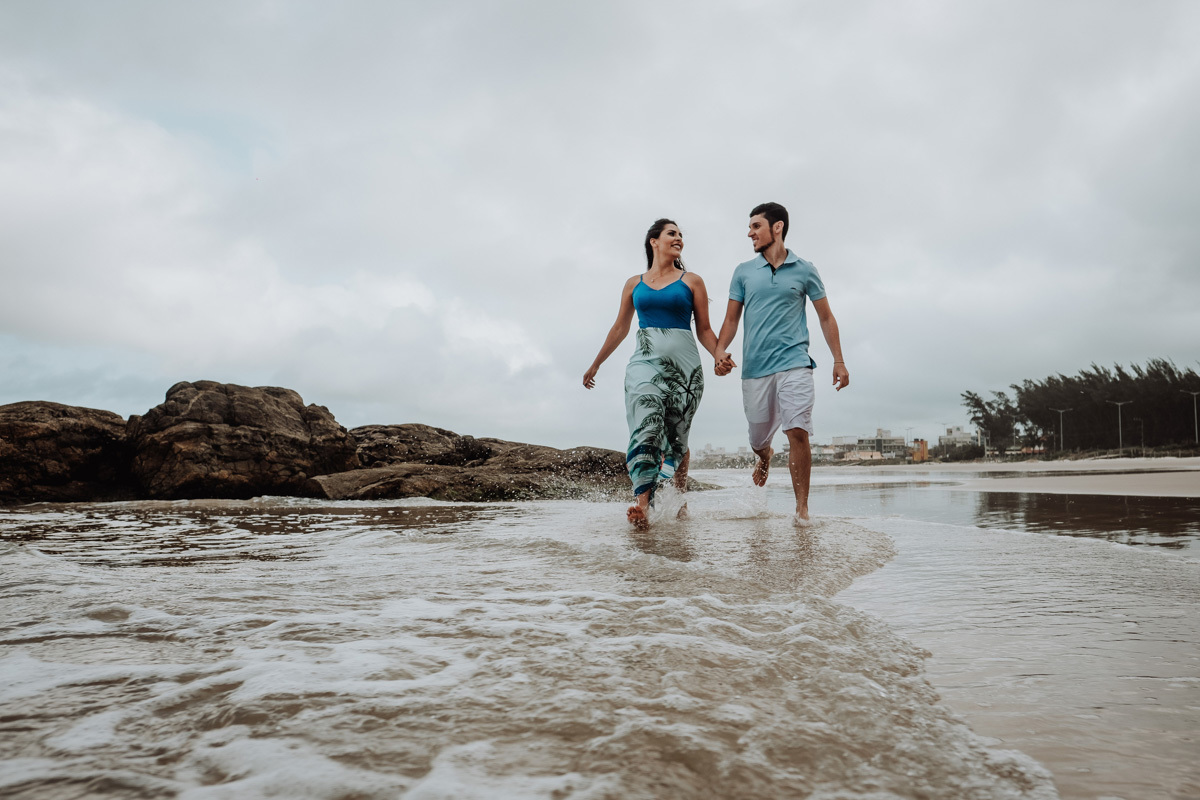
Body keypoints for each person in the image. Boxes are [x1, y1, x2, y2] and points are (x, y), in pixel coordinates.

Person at [713, 202, 849, 524]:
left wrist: (838, 360)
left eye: (756, 226)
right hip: (755, 370)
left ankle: (801, 510)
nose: (750, 233)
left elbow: (826, 316)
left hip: (795, 362)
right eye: (750, 228)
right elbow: (731, 319)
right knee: (758, 440)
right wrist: (720, 351)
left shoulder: (805, 269)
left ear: (777, 227)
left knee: (797, 430)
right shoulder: (743, 272)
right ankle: (764, 456)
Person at [584, 218, 722, 529]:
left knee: (676, 437)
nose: (679, 239)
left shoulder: (693, 282)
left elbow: (704, 329)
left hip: (685, 369)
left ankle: (679, 494)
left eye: (681, 235)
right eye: (672, 233)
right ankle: (643, 503)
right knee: (647, 420)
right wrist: (596, 363)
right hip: (644, 363)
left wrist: (720, 355)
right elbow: (620, 327)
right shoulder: (634, 283)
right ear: (654, 241)